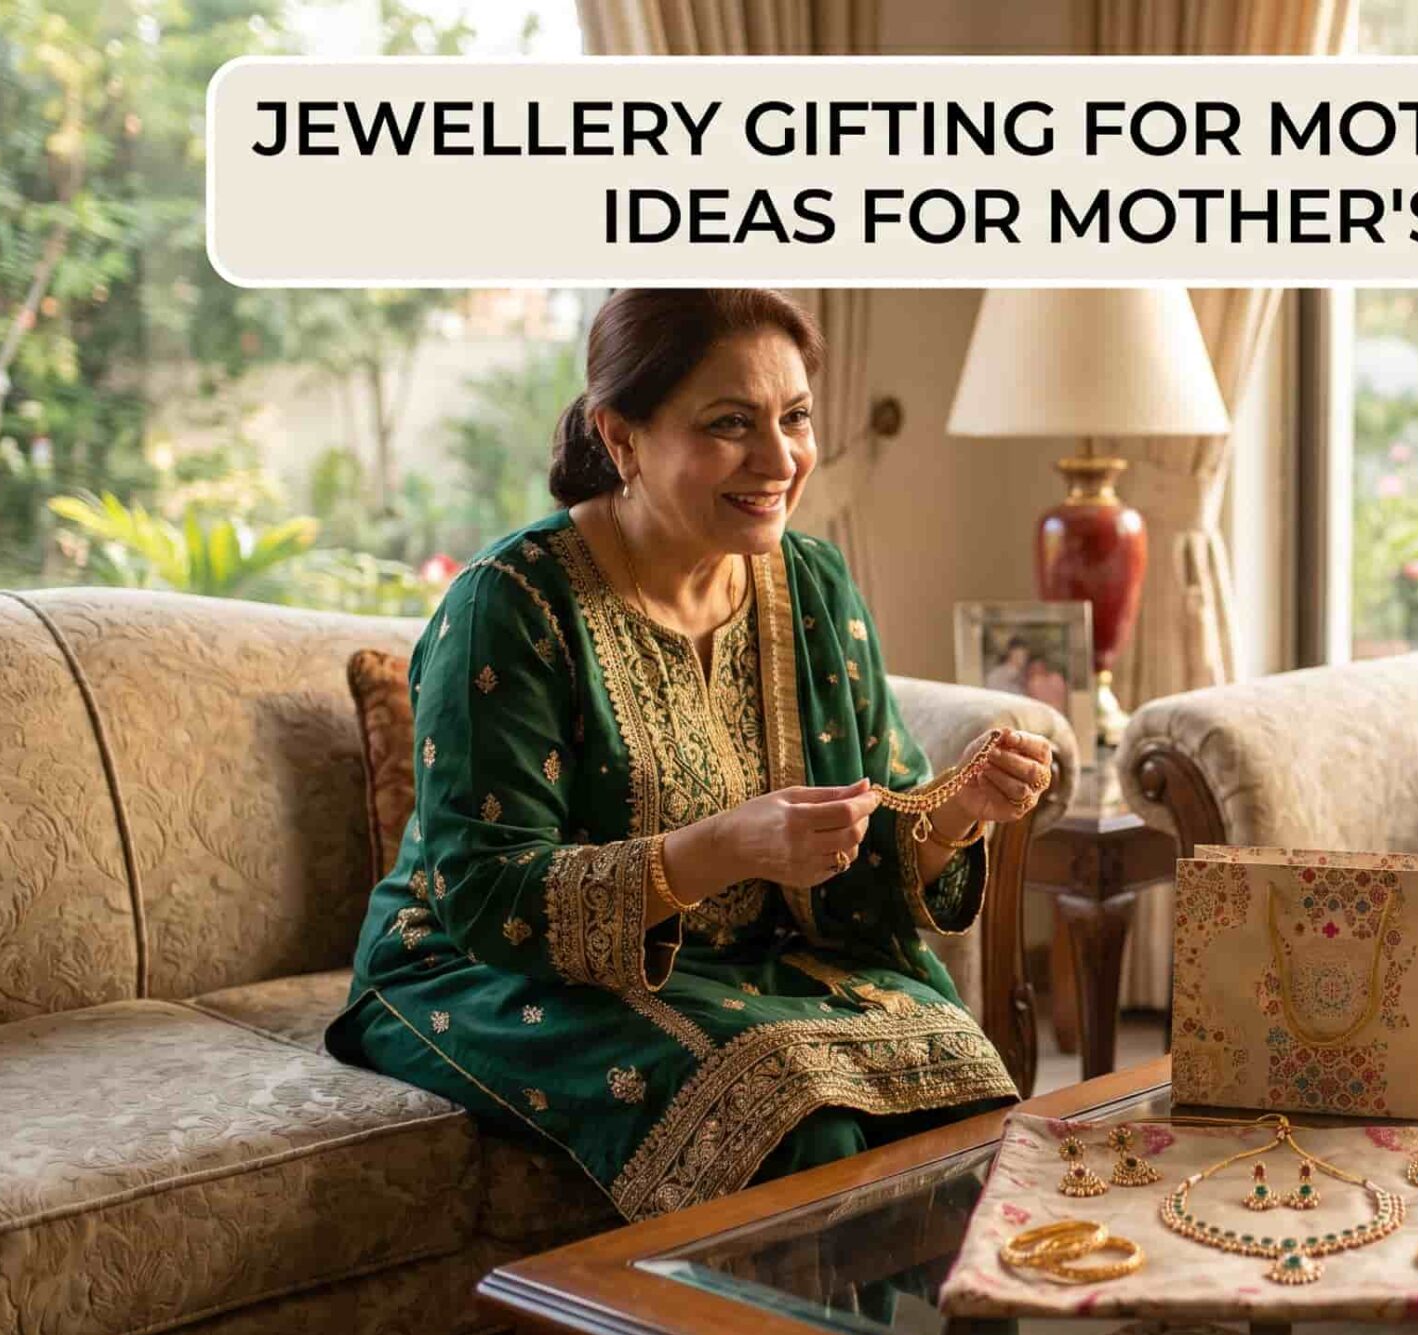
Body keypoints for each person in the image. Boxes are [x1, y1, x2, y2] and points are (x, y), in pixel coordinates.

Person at [328, 289, 1059, 1224]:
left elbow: (868, 844)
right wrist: (723, 848)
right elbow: (485, 895)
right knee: (793, 1118)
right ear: (621, 438)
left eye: (795, 418)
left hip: (746, 956)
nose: (780, 459)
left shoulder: (812, 585)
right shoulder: (509, 605)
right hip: (478, 973)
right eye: (729, 425)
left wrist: (958, 813)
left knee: (958, 1086)